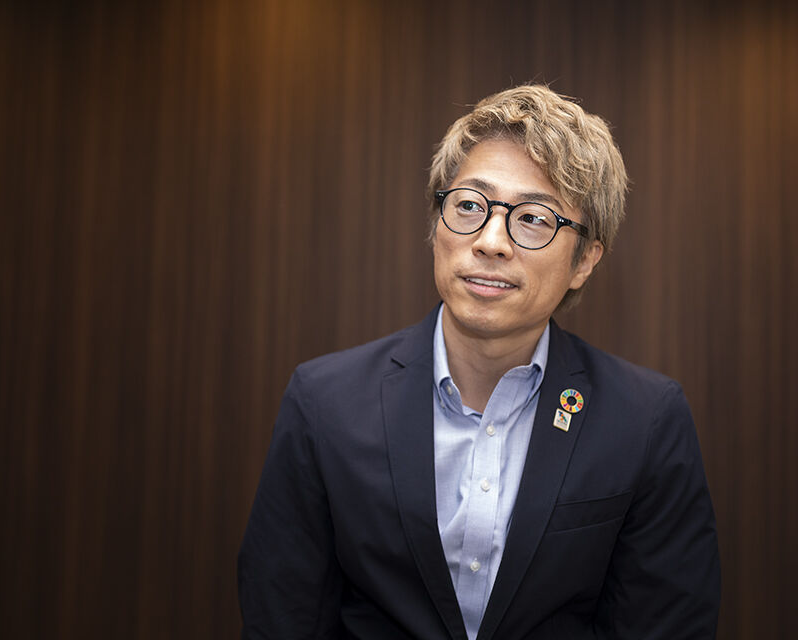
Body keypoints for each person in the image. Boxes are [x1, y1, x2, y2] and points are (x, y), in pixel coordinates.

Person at [237, 85, 720, 639]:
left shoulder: (645, 419)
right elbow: (283, 614)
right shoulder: (324, 402)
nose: (491, 241)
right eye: (469, 205)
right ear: (436, 224)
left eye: (533, 218)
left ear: (585, 261)